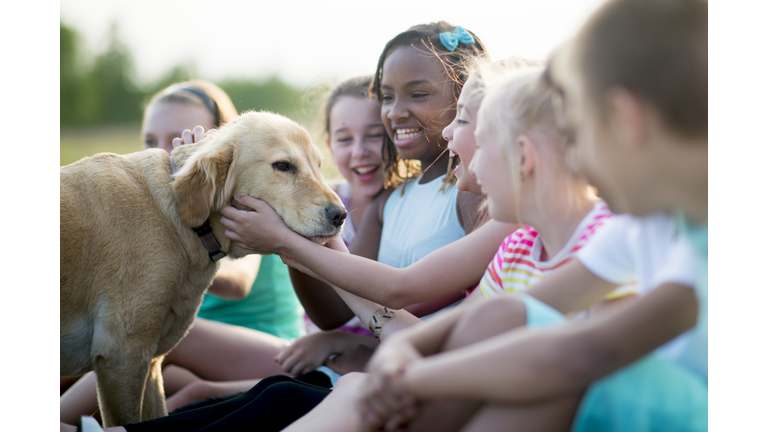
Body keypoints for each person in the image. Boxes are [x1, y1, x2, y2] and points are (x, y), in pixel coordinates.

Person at [357, 0, 708, 430]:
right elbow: (514, 309)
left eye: (577, 132)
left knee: (552, 371)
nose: (573, 157)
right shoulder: (646, 226)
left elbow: (583, 353)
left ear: (624, 120)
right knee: (506, 317)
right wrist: (401, 350)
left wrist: (414, 378)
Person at [60, 80, 304, 424]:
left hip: (261, 344)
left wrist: (200, 228)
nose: (165, 150)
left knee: (142, 341)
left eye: (185, 137)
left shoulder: (250, 206)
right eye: (150, 141)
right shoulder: (142, 209)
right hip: (187, 350)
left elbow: (238, 281)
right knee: (126, 343)